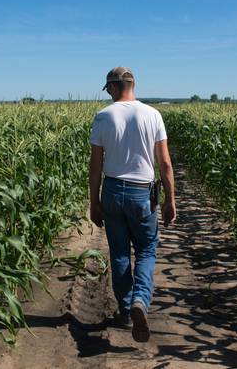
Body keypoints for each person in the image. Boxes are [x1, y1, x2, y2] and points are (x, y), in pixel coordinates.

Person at [88, 66, 176, 342]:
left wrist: (94, 201)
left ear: (113, 87)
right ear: (133, 84)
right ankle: (140, 300)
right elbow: (164, 163)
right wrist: (170, 199)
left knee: (120, 253)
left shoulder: (103, 116)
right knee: (147, 250)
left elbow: (95, 165)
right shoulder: (153, 115)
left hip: (113, 190)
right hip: (142, 193)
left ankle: (126, 311)